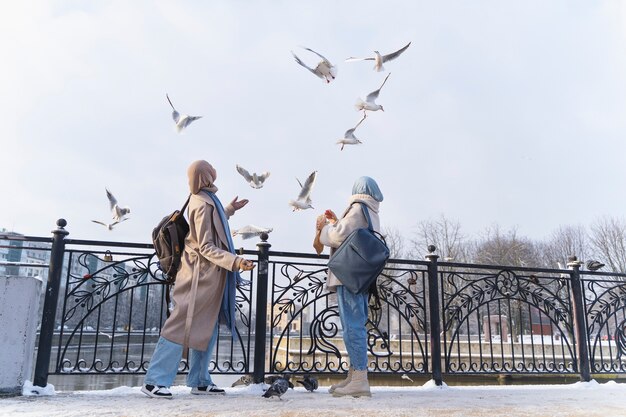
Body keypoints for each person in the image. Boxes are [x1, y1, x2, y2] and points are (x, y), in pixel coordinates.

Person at [142, 160, 255, 399]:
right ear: (206, 176)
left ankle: (200, 380)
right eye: (211, 170)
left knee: (208, 325)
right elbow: (205, 245)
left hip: (208, 276)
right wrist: (235, 261)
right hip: (198, 276)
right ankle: (154, 381)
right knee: (180, 323)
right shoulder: (202, 202)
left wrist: (229, 210)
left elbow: (211, 226)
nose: (215, 172)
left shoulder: (206, 198)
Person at [316, 176, 383, 398]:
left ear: (357, 190)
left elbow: (338, 236)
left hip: (349, 276)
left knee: (352, 326)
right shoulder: (371, 210)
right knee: (354, 325)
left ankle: (360, 379)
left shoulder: (358, 207)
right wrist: (338, 221)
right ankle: (354, 375)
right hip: (360, 276)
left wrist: (325, 228)